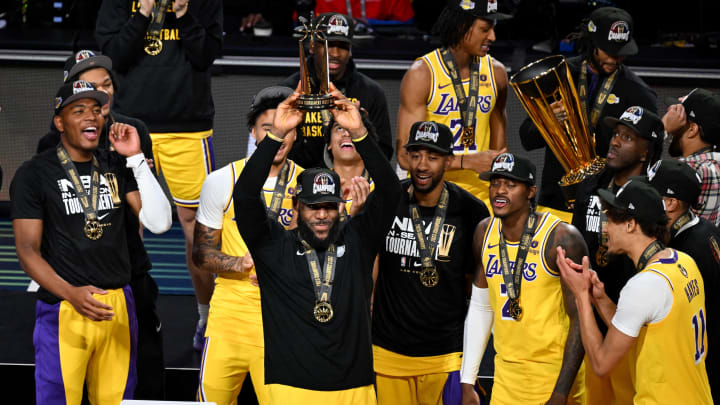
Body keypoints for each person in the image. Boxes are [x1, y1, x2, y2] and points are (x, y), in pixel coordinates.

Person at [233, 84, 400, 403]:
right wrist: (276, 136)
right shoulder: (272, 247)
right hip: (288, 391)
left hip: (354, 391)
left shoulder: (359, 242)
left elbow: (391, 192)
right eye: (313, 206)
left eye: (328, 206)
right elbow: (244, 196)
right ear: (296, 208)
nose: (322, 215)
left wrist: (360, 133)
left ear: (341, 206)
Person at [10, 80, 172, 404]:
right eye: (79, 110)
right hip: (65, 306)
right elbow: (27, 251)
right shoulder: (34, 173)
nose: (92, 117)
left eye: (97, 110)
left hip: (117, 307)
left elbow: (160, 223)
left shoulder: (116, 165)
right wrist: (71, 293)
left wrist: (137, 157)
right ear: (59, 122)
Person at [96, 0, 223, 350]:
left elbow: (205, 55)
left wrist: (183, 15)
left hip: (188, 128)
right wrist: (143, 13)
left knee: (198, 228)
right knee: (124, 222)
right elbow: (113, 58)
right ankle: (121, 314)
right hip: (128, 126)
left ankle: (207, 317)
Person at [192, 86, 302, 405]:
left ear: (294, 133)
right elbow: (201, 253)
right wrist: (238, 263)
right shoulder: (221, 180)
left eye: (283, 130)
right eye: (268, 129)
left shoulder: (306, 184)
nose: (276, 137)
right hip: (231, 314)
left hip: (283, 315)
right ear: (253, 132)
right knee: (210, 401)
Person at [557, 179, 713, 404]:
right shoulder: (684, 262)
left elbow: (601, 364)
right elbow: (628, 327)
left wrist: (581, 297)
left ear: (630, 224)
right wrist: (598, 297)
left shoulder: (644, 285)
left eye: (610, 219)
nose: (604, 227)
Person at [372, 120, 489, 405]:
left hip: (445, 355)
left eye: (433, 157)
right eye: (416, 156)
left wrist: (472, 368)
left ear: (448, 161)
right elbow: (369, 270)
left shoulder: (472, 210)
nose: (422, 165)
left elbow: (477, 289)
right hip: (387, 353)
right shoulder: (387, 199)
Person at [460, 152, 586, 404]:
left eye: (510, 184)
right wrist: (467, 380)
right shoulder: (484, 232)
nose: (499, 191)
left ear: (530, 191)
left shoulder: (561, 238)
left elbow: (581, 319)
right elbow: (481, 306)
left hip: (554, 376)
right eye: (495, 183)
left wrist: (561, 393)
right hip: (506, 380)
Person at [519, 6, 657, 219]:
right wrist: (547, 120)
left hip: (606, 208)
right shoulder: (558, 76)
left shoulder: (639, 93)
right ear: (592, 43)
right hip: (555, 203)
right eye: (608, 51)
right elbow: (527, 139)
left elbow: (649, 157)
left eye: (621, 53)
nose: (615, 58)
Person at [571, 105, 663, 403]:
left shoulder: (654, 200)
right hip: (586, 322)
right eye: (615, 134)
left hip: (629, 329)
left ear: (645, 152)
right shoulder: (591, 185)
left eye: (627, 137)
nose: (615, 141)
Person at [397, 0, 509, 204]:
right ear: (461, 27)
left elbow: (498, 154)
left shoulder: (497, 73)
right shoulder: (423, 74)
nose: (492, 37)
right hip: (430, 194)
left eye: (493, 28)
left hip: (480, 198)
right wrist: (468, 161)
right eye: (485, 29)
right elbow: (405, 157)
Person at [280, 12, 393, 168]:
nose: (335, 54)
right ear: (312, 46)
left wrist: (365, 134)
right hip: (300, 183)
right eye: (328, 45)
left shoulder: (371, 92)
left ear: (350, 50)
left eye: (342, 46)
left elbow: (384, 153)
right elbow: (279, 151)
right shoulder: (289, 91)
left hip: (354, 185)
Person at [647, 159, 720, 399]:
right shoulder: (708, 229)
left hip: (700, 370)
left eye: (649, 193)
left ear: (670, 203)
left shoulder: (684, 252)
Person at [36, 50, 153, 161]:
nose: (104, 92)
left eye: (107, 85)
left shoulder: (134, 129)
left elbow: (149, 180)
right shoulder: (53, 141)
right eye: (93, 87)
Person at [662, 88, 720, 227]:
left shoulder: (698, 169)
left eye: (680, 119)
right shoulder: (713, 165)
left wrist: (662, 129)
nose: (674, 127)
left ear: (692, 129)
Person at [323, 113, 374, 218]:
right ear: (329, 144)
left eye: (353, 128)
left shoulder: (382, 188)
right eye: (340, 128)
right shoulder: (315, 186)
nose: (346, 133)